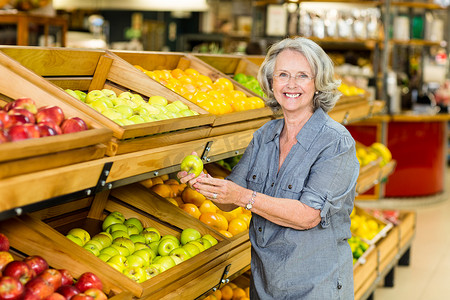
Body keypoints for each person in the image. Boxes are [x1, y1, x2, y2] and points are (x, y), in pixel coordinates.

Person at [178, 37, 360, 299]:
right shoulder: (265, 136)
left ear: (318, 84)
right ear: (271, 82)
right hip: (265, 285)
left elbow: (308, 215)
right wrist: (204, 182)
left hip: (315, 287)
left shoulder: (335, 142)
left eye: (302, 76)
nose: (291, 84)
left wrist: (243, 197)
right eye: (283, 74)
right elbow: (231, 200)